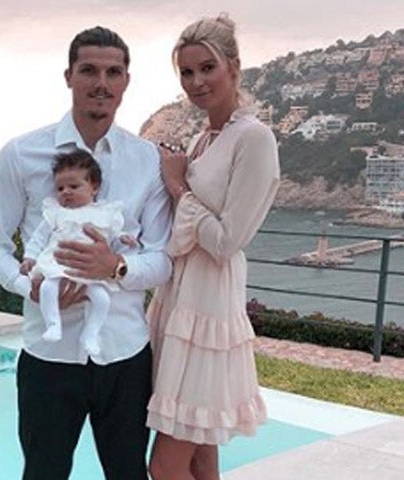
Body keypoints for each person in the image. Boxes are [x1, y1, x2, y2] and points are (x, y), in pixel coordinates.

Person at [0, 26, 172, 480]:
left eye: (113, 72)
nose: (101, 83)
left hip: (124, 354)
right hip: (50, 357)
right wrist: (29, 285)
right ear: (68, 76)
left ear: (126, 81)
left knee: (128, 473)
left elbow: (162, 258)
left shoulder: (147, 160)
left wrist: (116, 266)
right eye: (89, 70)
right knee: (43, 473)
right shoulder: (21, 154)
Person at [146, 14, 281, 480]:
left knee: (164, 467)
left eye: (207, 68)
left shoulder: (254, 138)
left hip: (208, 306)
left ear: (234, 68)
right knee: (200, 455)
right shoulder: (203, 138)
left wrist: (177, 185)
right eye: (187, 72)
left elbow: (226, 241)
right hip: (179, 298)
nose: (196, 82)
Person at [19, 149, 137, 355]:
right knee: (47, 288)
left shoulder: (105, 213)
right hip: (57, 265)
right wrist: (29, 257)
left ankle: (91, 334)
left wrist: (123, 237)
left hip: (90, 272)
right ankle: (53, 324)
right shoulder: (56, 213)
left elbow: (113, 233)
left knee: (102, 299)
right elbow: (38, 238)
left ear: (94, 187)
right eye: (60, 188)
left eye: (74, 186)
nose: (66, 192)